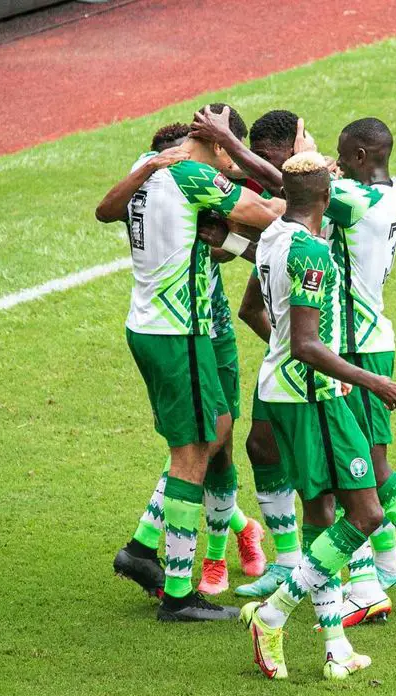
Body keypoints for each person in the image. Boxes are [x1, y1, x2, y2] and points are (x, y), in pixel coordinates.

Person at [195, 110, 396, 623]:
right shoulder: (384, 196)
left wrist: (228, 142)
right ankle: (371, 579)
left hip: (358, 348)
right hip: (341, 348)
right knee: (345, 471)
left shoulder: (362, 202)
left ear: (362, 157)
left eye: (342, 159)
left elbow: (293, 190)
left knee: (367, 471)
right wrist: (232, 240)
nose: (336, 166)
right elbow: (282, 242)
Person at [95, 107, 283, 621]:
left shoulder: (149, 165)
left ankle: (143, 548)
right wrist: (314, 182)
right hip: (179, 331)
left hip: (150, 325)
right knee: (192, 454)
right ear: (219, 145)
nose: (231, 170)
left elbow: (114, 212)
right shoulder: (195, 176)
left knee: (213, 430)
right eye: (229, 156)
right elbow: (273, 216)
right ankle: (178, 594)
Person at [240, 151, 396, 679]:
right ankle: (272, 616)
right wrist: (372, 381)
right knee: (367, 515)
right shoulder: (311, 250)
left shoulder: (272, 236)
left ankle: (336, 647)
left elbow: (252, 310)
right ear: (328, 197)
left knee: (320, 516)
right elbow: (307, 344)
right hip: (314, 395)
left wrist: (290, 358)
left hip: (282, 391)